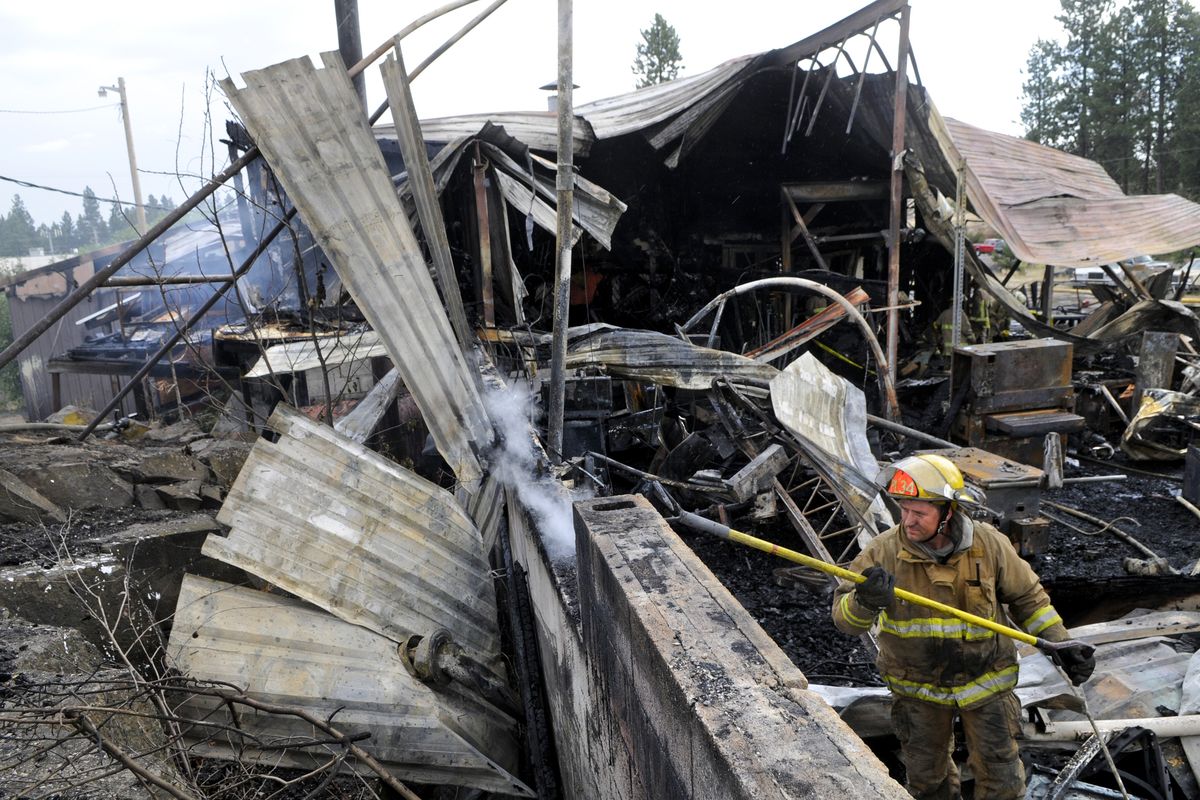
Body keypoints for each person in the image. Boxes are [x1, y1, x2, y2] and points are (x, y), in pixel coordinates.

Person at [831, 454, 1094, 800]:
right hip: (918, 692)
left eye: (919, 512)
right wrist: (865, 601)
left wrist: (1061, 644)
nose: (907, 521)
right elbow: (844, 621)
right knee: (928, 783)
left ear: (948, 512)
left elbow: (1029, 599)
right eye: (903, 509)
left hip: (987, 685)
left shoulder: (989, 546)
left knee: (1002, 779)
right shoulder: (882, 553)